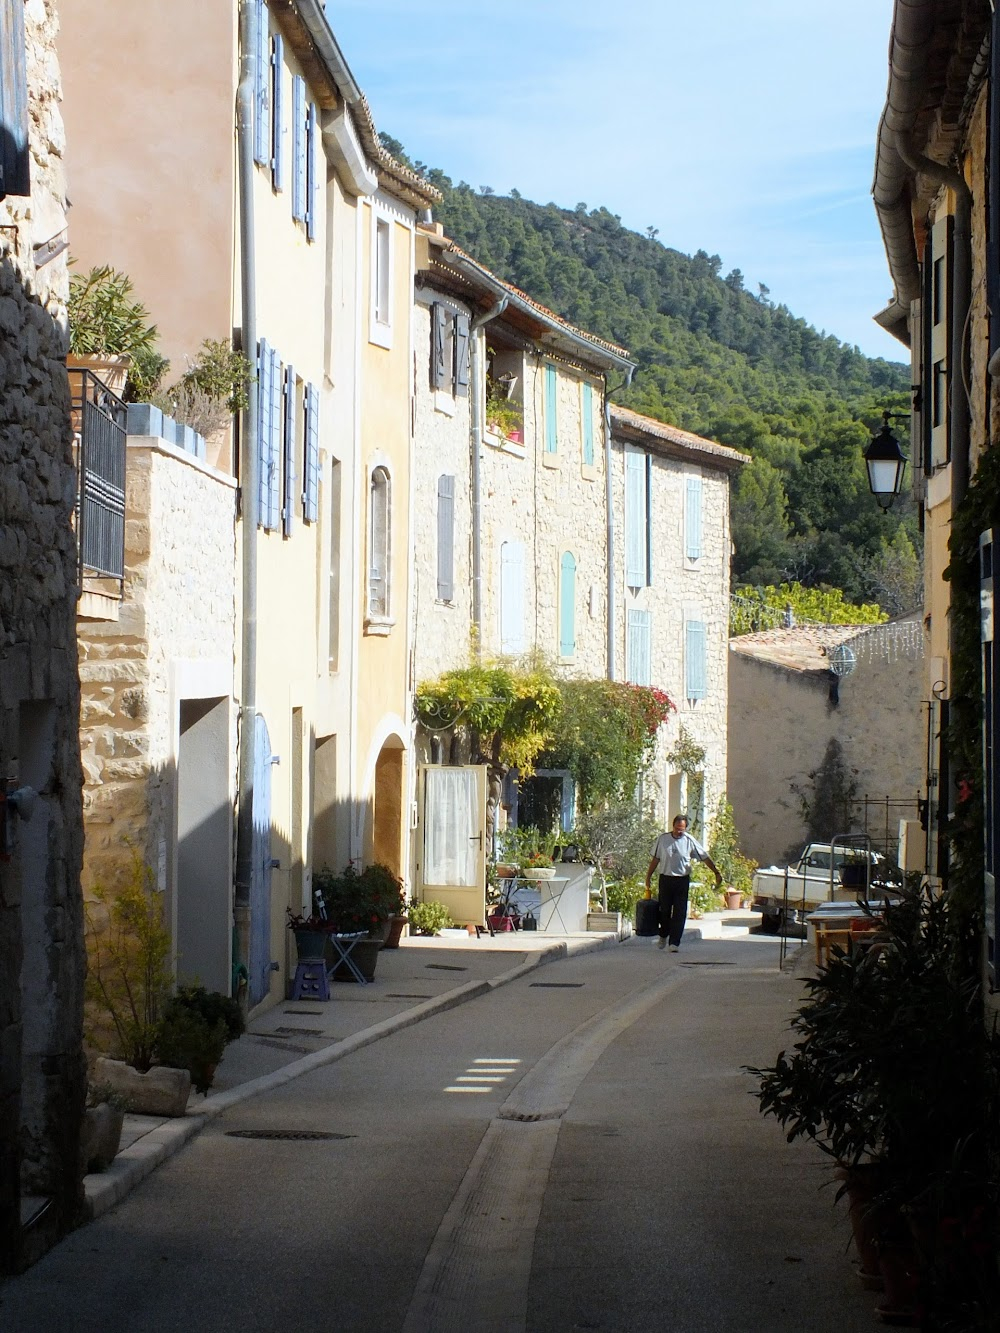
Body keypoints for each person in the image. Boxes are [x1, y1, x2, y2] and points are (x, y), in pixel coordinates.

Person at [645, 814, 722, 952]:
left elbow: (704, 857)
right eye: (676, 828)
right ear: (673, 826)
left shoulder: (689, 840)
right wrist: (648, 876)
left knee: (680, 912)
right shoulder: (663, 839)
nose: (678, 831)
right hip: (666, 879)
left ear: (685, 828)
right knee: (665, 911)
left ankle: (674, 943)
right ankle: (663, 935)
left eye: (681, 829)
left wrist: (716, 872)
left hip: (682, 880)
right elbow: (655, 859)